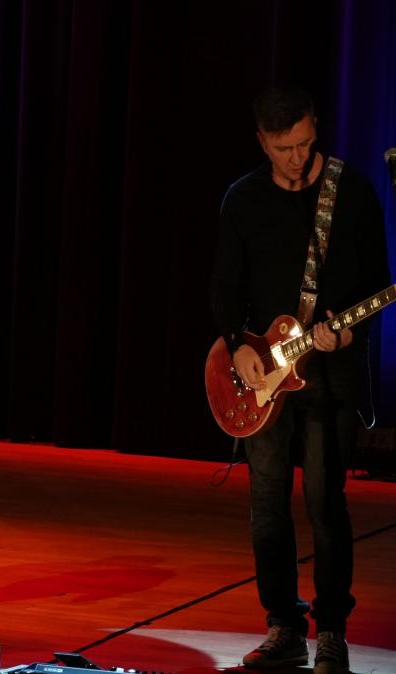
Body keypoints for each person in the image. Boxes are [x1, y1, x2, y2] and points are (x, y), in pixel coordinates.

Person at [212, 86, 390, 674]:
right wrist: (237, 344)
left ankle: (332, 630)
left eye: (306, 144)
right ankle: (283, 626)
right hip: (265, 374)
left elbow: (378, 282)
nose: (297, 158)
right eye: (284, 148)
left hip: (329, 374)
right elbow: (224, 287)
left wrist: (350, 333)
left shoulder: (350, 191)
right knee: (267, 504)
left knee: (325, 503)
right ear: (262, 141)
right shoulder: (243, 199)